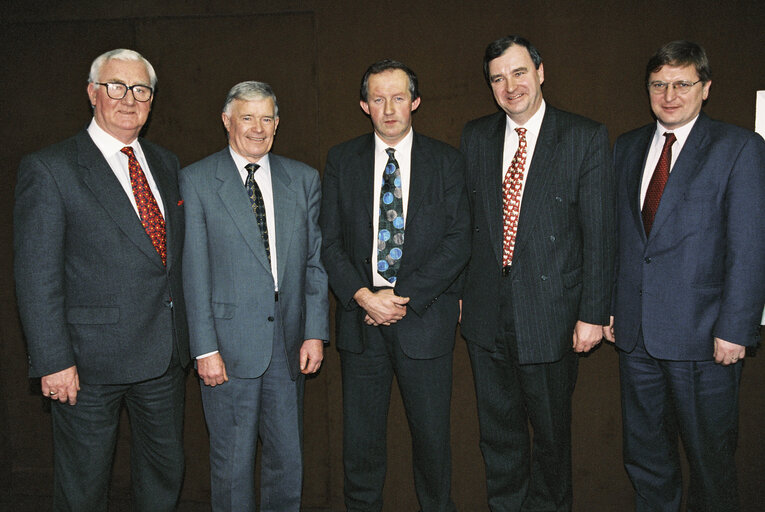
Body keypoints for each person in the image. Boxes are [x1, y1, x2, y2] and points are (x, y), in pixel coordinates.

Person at [13, 48, 189, 511]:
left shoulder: (166, 164)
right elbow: (36, 276)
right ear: (93, 93)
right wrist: (52, 361)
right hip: (87, 367)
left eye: (141, 90)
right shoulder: (51, 168)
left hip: (164, 359)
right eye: (116, 87)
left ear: (152, 100)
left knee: (163, 479)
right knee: (83, 490)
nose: (128, 99)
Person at [604, 40, 765, 511]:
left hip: (705, 339)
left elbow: (750, 246)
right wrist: (613, 306)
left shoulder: (740, 148)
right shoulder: (628, 146)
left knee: (711, 463)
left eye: (682, 84)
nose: (669, 94)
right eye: (659, 84)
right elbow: (622, 239)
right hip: (636, 338)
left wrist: (736, 329)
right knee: (646, 458)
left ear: (706, 88)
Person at [459, 36, 615, 511]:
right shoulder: (475, 136)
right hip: (487, 319)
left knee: (550, 442)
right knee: (499, 440)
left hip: (552, 317)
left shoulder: (583, 137)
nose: (510, 86)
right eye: (498, 78)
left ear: (540, 72)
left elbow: (601, 233)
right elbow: (467, 223)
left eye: (519, 72)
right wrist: (464, 293)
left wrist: (593, 312)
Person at [320, 59, 470, 512]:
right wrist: (365, 296)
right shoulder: (341, 160)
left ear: (415, 102)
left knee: (432, 446)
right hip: (361, 323)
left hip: (423, 321)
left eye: (398, 97)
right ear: (365, 105)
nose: (389, 109)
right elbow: (328, 243)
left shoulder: (446, 161)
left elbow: (459, 240)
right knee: (361, 448)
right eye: (378, 98)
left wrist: (401, 299)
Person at [180, 81, 328, 512]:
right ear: (227, 121)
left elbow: (314, 264)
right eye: (247, 117)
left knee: (287, 462)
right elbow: (194, 271)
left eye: (267, 119)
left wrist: (315, 332)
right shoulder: (197, 179)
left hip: (289, 344)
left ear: (278, 124)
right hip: (226, 347)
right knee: (232, 464)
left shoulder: (302, 179)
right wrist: (204, 348)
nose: (258, 128)